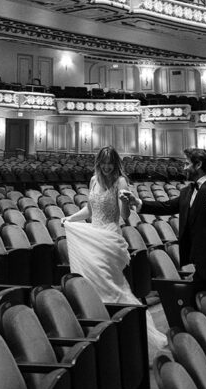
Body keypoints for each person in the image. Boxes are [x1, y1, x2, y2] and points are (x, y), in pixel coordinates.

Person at [63, 145, 166, 351]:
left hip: (110, 235)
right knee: (93, 282)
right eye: (104, 163)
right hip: (94, 234)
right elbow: (90, 210)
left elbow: (125, 216)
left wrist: (126, 201)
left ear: (116, 163)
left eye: (111, 163)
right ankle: (101, 329)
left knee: (112, 284)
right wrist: (71, 218)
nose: (107, 167)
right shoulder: (93, 180)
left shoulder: (120, 181)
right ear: (98, 163)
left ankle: (126, 328)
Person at [140, 147, 206, 317]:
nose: (183, 168)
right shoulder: (187, 191)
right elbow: (167, 206)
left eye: (186, 164)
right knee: (203, 306)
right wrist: (139, 203)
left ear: (198, 165)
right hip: (199, 260)